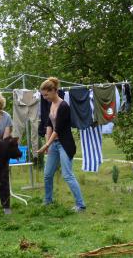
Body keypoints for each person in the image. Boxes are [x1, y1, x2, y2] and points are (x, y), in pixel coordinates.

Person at [37, 77, 86, 212]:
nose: (45, 97)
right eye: (43, 95)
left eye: (46, 94)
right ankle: (48, 201)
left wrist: (46, 145)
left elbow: (57, 130)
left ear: (54, 91)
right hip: (53, 144)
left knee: (67, 175)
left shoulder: (64, 106)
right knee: (47, 175)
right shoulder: (50, 104)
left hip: (65, 144)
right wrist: (48, 144)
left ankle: (80, 205)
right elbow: (49, 125)